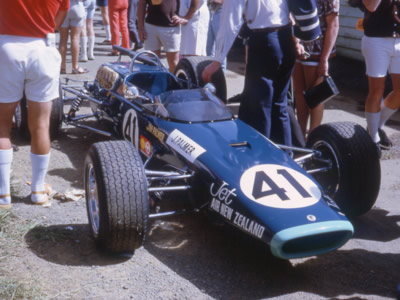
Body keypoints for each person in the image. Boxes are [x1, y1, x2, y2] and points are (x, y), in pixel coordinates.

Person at [202, 0, 321, 146]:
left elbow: (230, 22)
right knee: (279, 105)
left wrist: (217, 61)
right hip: (285, 40)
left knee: (260, 107)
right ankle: (286, 154)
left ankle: (260, 155)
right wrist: (296, 42)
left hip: (264, 44)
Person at [0, 0, 69, 209]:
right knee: (40, 125)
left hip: (7, 46)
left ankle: (3, 194)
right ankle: (38, 190)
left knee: (2, 125)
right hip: (42, 47)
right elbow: (61, 15)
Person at [292, 0, 340, 138]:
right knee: (300, 96)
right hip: (298, 48)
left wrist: (324, 59)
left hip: (317, 50)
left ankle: (313, 139)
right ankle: (300, 137)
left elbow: (333, 25)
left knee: (315, 97)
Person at [361, 0, 399, 154]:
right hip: (376, 40)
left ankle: (376, 125)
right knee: (377, 90)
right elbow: (371, 6)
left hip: (399, 40)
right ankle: (373, 137)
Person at [137, 0, 189, 72]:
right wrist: (140, 27)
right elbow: (142, 3)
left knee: (173, 63)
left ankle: (173, 82)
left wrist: (187, 17)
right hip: (150, 26)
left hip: (171, 27)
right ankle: (157, 82)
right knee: (153, 62)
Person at [59, 0, 88, 74]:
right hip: (77, 7)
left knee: (62, 40)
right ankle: (75, 67)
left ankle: (62, 67)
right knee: (75, 38)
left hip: (63, 8)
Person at [206, 0, 226, 71]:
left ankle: (221, 78)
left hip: (221, 12)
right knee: (209, 49)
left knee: (220, 50)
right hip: (209, 11)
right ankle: (211, 79)